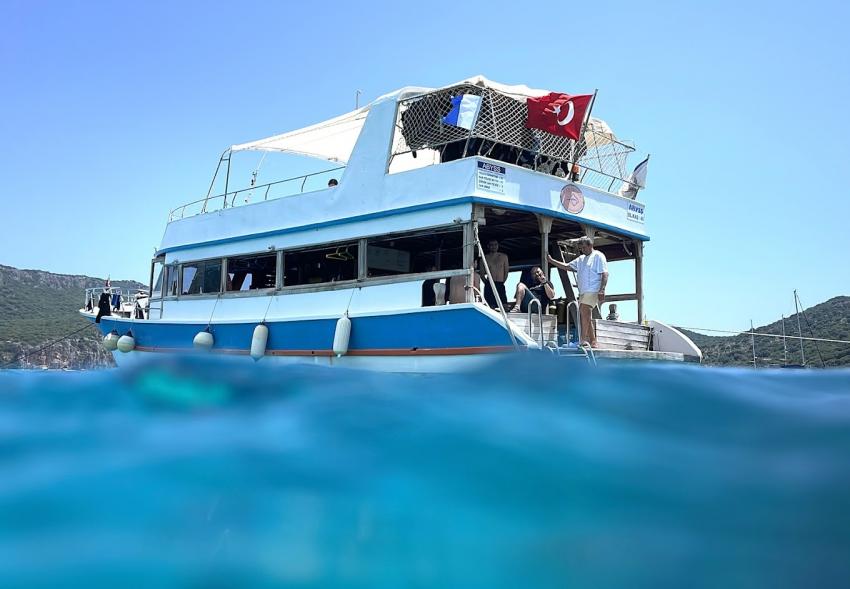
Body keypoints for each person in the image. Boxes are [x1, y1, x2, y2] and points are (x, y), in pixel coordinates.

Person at [548, 236, 608, 348]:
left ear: (590, 245)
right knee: (585, 315)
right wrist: (552, 261)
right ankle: (593, 342)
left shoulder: (598, 256)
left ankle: (582, 340)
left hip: (593, 290)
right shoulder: (581, 259)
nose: (582, 250)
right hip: (583, 291)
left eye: (584, 248)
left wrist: (602, 289)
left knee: (584, 311)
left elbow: (605, 274)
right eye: (581, 248)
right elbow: (566, 266)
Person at [478, 239, 509, 309]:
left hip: (500, 284)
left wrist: (502, 282)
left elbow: (506, 271)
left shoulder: (504, 257)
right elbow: (482, 273)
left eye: (495, 245)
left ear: (498, 246)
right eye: (491, 245)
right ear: (488, 246)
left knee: (504, 306)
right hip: (489, 285)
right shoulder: (484, 258)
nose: (494, 247)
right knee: (490, 307)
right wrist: (487, 283)